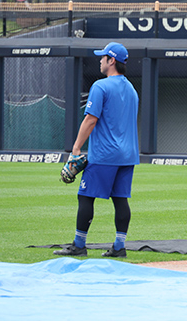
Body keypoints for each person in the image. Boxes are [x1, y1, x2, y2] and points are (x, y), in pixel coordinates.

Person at [54, 42, 140, 258]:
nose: (100, 60)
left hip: (104, 154)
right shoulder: (131, 89)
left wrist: (75, 149)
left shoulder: (100, 86)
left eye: (103, 57)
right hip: (128, 155)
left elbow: (90, 120)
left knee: (85, 196)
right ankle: (120, 247)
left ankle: (79, 245)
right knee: (120, 199)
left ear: (112, 61)